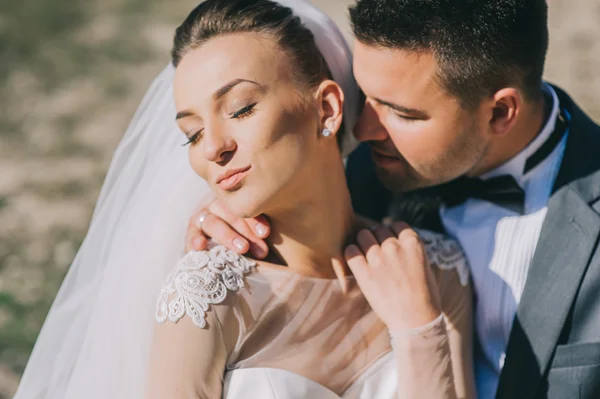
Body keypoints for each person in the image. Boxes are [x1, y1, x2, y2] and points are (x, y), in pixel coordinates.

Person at [13, 1, 474, 398]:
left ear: (327, 109)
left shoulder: (435, 271)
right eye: (191, 135)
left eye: (240, 109)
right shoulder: (208, 299)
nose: (213, 147)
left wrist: (420, 333)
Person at [193, 1, 600, 398]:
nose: (363, 129)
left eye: (401, 113)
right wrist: (240, 212)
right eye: (364, 96)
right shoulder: (359, 173)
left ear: (499, 113)